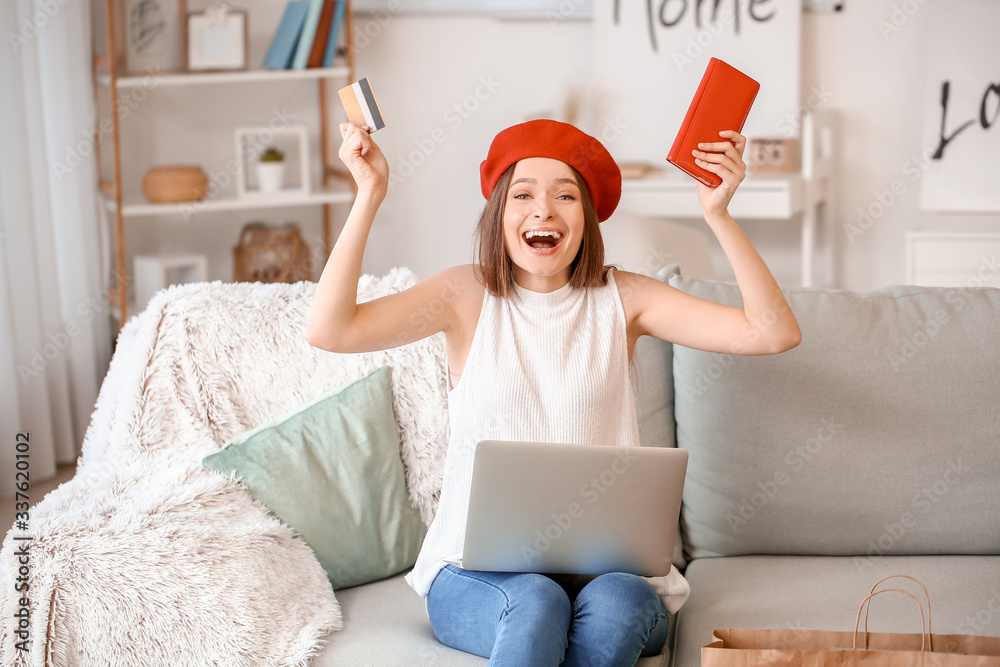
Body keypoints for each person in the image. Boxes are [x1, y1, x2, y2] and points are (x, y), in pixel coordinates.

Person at [307, 118, 801, 666]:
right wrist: (368, 193)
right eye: (523, 194)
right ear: (499, 215)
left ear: (586, 220)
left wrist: (718, 214)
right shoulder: (463, 295)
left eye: (565, 195)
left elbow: (773, 331)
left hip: (608, 577)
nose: (543, 209)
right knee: (537, 601)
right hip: (477, 578)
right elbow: (331, 330)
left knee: (618, 604)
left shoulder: (625, 298)